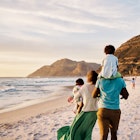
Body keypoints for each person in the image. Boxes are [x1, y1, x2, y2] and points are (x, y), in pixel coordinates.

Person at [57, 70, 99, 140]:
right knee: (88, 131)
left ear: (89, 77)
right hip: (94, 113)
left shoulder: (84, 87)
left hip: (85, 112)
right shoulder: (98, 87)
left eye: (87, 75)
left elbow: (76, 97)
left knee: (74, 129)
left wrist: (73, 101)